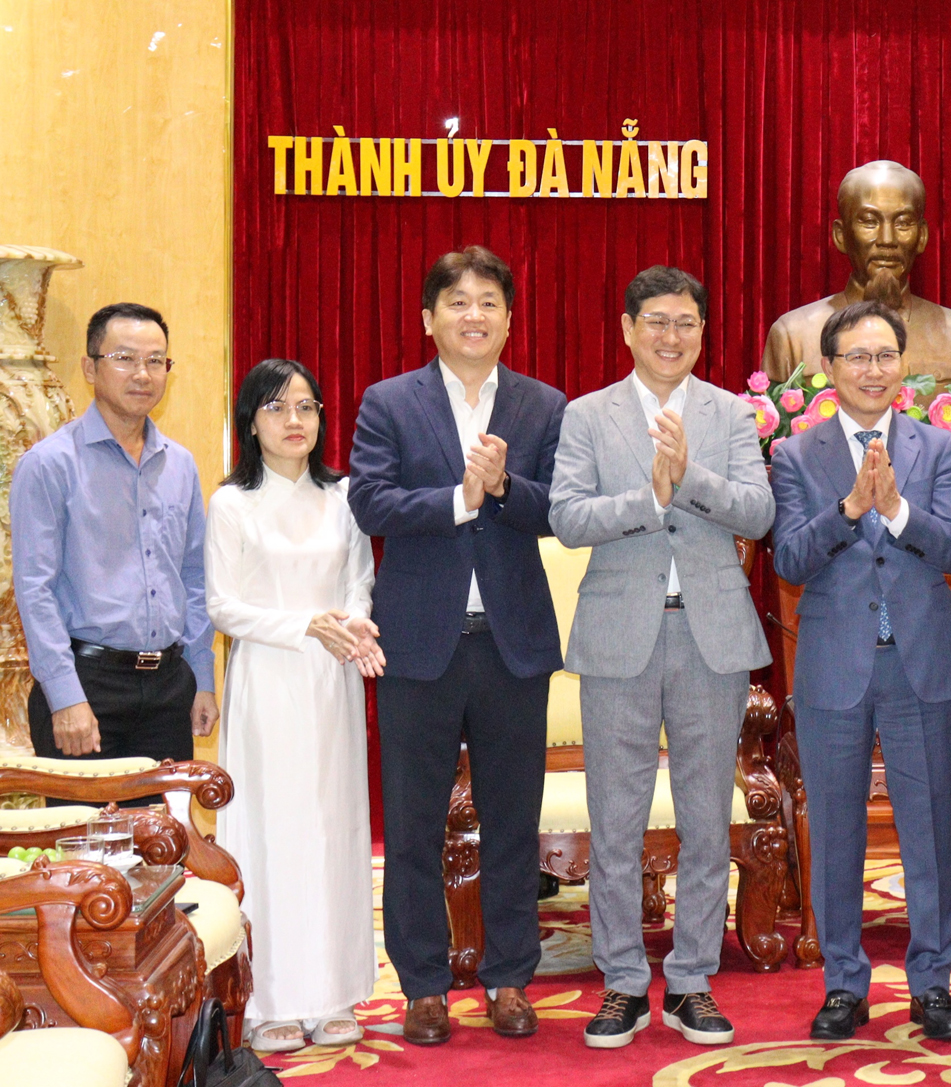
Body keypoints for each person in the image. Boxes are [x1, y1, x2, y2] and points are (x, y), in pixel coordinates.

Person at [549, 266, 775, 1049]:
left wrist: (690, 477)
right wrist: (649, 498)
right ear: (626, 328)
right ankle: (619, 982)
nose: (670, 335)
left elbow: (759, 507)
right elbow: (568, 516)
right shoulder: (587, 415)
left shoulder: (731, 414)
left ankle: (690, 980)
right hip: (619, 636)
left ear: (703, 332)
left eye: (685, 322)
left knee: (707, 817)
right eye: (655, 321)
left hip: (710, 634)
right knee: (616, 819)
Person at [348, 245, 567, 1046]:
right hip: (417, 644)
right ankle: (423, 984)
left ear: (510, 319)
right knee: (410, 825)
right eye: (458, 302)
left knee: (515, 822)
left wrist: (506, 489)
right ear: (428, 318)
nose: (473, 315)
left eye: (488, 303)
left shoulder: (543, 405)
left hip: (512, 643)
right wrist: (457, 498)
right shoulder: (389, 402)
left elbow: (560, 510)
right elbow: (370, 500)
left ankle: (510, 977)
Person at [770, 300, 951, 1042]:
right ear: (829, 368)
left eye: (884, 355)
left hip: (920, 665)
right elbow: (789, 557)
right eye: (856, 356)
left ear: (903, 363)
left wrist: (894, 512)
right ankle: (843, 984)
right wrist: (849, 506)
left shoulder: (941, 449)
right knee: (834, 832)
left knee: (930, 834)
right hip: (832, 667)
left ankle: (932, 984)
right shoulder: (796, 455)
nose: (872, 369)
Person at [207, 358, 382, 1052]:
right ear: (253, 420)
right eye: (278, 408)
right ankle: (269, 998)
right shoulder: (231, 503)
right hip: (267, 680)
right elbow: (223, 603)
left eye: (306, 407)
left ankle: (333, 990)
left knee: (332, 829)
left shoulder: (343, 497)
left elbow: (360, 578)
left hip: (330, 678)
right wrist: (303, 624)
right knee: (270, 832)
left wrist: (352, 621)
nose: (294, 421)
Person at [13, 302, 219, 807]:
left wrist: (201, 679)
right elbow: (35, 590)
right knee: (85, 860)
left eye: (156, 361)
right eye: (125, 358)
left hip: (169, 689)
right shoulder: (48, 465)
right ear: (90, 368)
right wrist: (65, 697)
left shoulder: (180, 464)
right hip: (88, 686)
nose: (143, 374)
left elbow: (194, 578)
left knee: (161, 852)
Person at [761, 160, 951, 387]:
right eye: (869, 222)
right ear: (841, 236)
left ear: (922, 236)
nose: (887, 240)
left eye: (903, 223)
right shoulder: (792, 337)